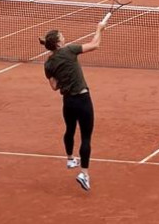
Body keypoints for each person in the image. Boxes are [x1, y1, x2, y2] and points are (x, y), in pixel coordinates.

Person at [39, 20, 106, 191]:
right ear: (58, 42)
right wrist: (99, 29)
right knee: (86, 137)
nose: (64, 37)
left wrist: (65, 78)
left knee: (69, 130)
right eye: (62, 36)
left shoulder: (48, 64)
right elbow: (95, 45)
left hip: (68, 102)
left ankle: (70, 159)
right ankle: (84, 173)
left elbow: (54, 87)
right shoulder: (69, 50)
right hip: (83, 100)